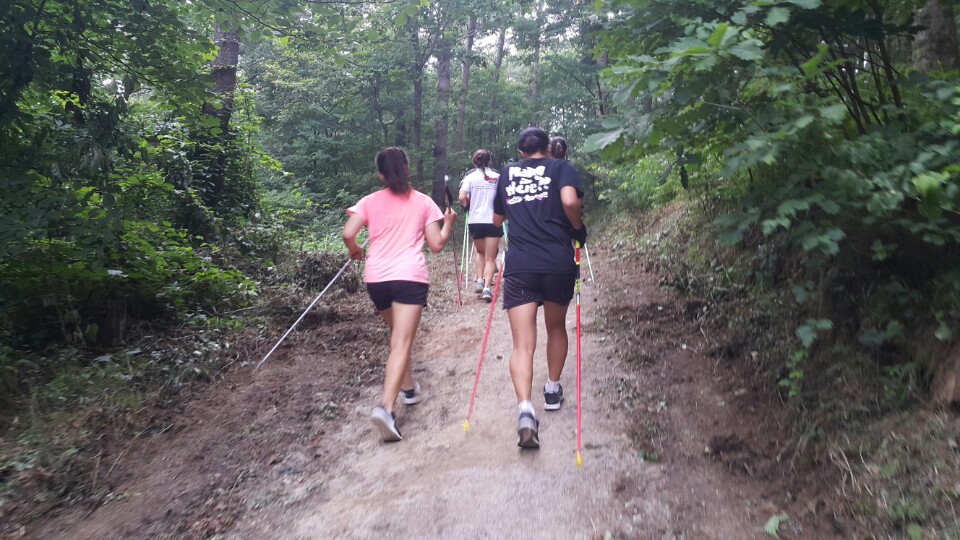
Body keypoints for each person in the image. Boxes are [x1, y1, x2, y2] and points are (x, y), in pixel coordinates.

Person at [343, 147, 457, 442]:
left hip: (377, 278)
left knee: (398, 337)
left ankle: (408, 389)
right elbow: (436, 245)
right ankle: (386, 407)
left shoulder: (369, 201)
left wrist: (355, 251)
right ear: (407, 169)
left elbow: (348, 233)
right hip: (408, 277)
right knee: (402, 341)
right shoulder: (423, 202)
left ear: (380, 175)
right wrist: (448, 224)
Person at [493, 127, 586, 449]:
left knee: (522, 344)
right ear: (548, 148)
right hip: (557, 261)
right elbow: (570, 201)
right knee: (556, 327)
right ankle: (552, 389)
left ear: (520, 153)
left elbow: (496, 219)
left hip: (521, 264)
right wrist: (578, 228)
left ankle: (525, 410)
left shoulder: (507, 172)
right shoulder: (562, 167)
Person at [459, 149, 503, 302]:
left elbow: (462, 197)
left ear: (474, 162)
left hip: (475, 220)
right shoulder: (497, 177)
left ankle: (479, 280)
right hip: (493, 220)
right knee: (491, 257)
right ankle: (487, 288)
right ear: (490, 161)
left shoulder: (470, 177)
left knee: (480, 252)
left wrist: (467, 206)